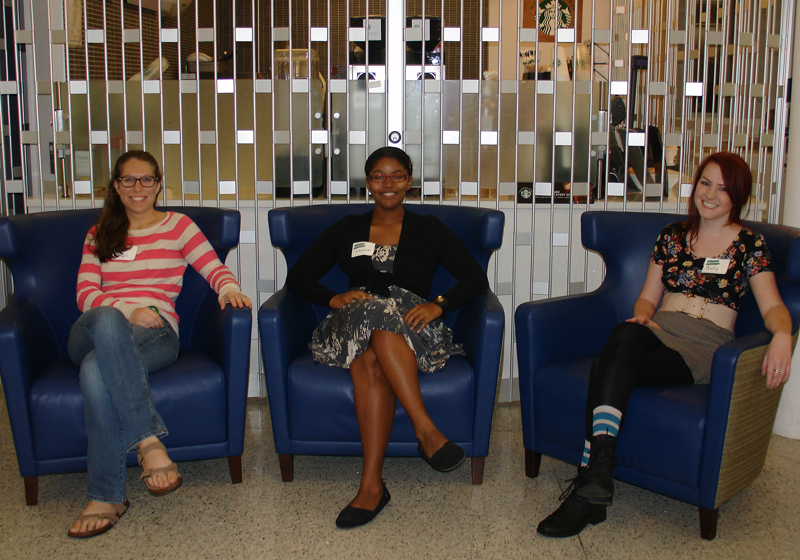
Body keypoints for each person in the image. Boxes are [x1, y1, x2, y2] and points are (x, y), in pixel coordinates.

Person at [537, 151, 794, 538]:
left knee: (606, 365)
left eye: (723, 188)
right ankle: (597, 479)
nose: (710, 194)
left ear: (737, 196)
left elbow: (773, 306)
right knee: (624, 336)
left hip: (704, 344)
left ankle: (591, 485)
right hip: (658, 328)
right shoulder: (672, 236)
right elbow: (646, 299)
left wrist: (782, 337)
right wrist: (642, 315)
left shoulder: (749, 245)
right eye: (705, 183)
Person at [286, 147, 490, 528]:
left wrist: (437, 305)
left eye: (397, 175)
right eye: (378, 176)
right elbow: (298, 277)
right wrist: (333, 297)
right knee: (375, 308)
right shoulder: (346, 229)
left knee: (372, 359)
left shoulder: (430, 229)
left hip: (411, 329)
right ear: (368, 184)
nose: (388, 183)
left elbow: (475, 279)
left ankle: (371, 487)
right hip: (349, 327)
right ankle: (425, 430)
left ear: (409, 181)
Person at [67, 151, 252, 538]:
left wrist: (230, 289)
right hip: (94, 329)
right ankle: (148, 441)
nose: (138, 188)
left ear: (158, 184)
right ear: (116, 186)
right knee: (106, 318)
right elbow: (86, 294)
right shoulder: (99, 233)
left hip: (157, 334)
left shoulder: (178, 226)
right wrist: (127, 309)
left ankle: (107, 496)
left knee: (94, 371)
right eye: (129, 180)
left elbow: (212, 266)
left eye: (146, 180)